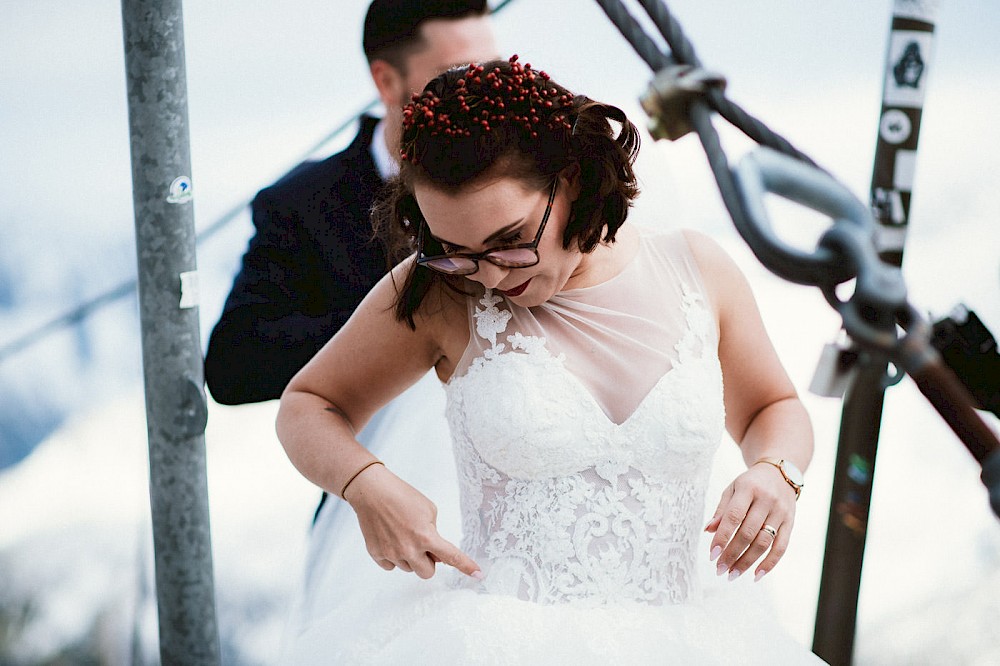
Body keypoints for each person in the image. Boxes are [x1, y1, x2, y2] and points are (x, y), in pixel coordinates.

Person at [276, 56, 823, 664]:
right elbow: (307, 405)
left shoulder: (698, 269)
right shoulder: (442, 295)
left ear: (573, 181)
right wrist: (364, 485)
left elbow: (773, 407)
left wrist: (778, 473)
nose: (487, 273)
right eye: (455, 249)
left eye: (509, 241)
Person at [204, 0, 497, 405]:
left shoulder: (532, 173)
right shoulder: (304, 204)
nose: (483, 92)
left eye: (496, 71)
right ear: (387, 81)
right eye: (459, 73)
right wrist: (403, 324)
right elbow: (233, 367)